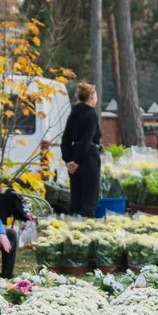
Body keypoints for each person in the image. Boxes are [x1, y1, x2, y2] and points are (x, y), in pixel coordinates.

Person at [61, 81, 102, 217]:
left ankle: (71, 230)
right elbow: (87, 140)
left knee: (75, 200)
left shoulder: (73, 114)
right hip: (89, 159)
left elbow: (65, 140)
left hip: (73, 159)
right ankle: (85, 232)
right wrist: (77, 161)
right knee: (89, 201)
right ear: (91, 96)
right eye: (95, 94)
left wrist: (69, 161)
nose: (96, 97)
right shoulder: (91, 115)